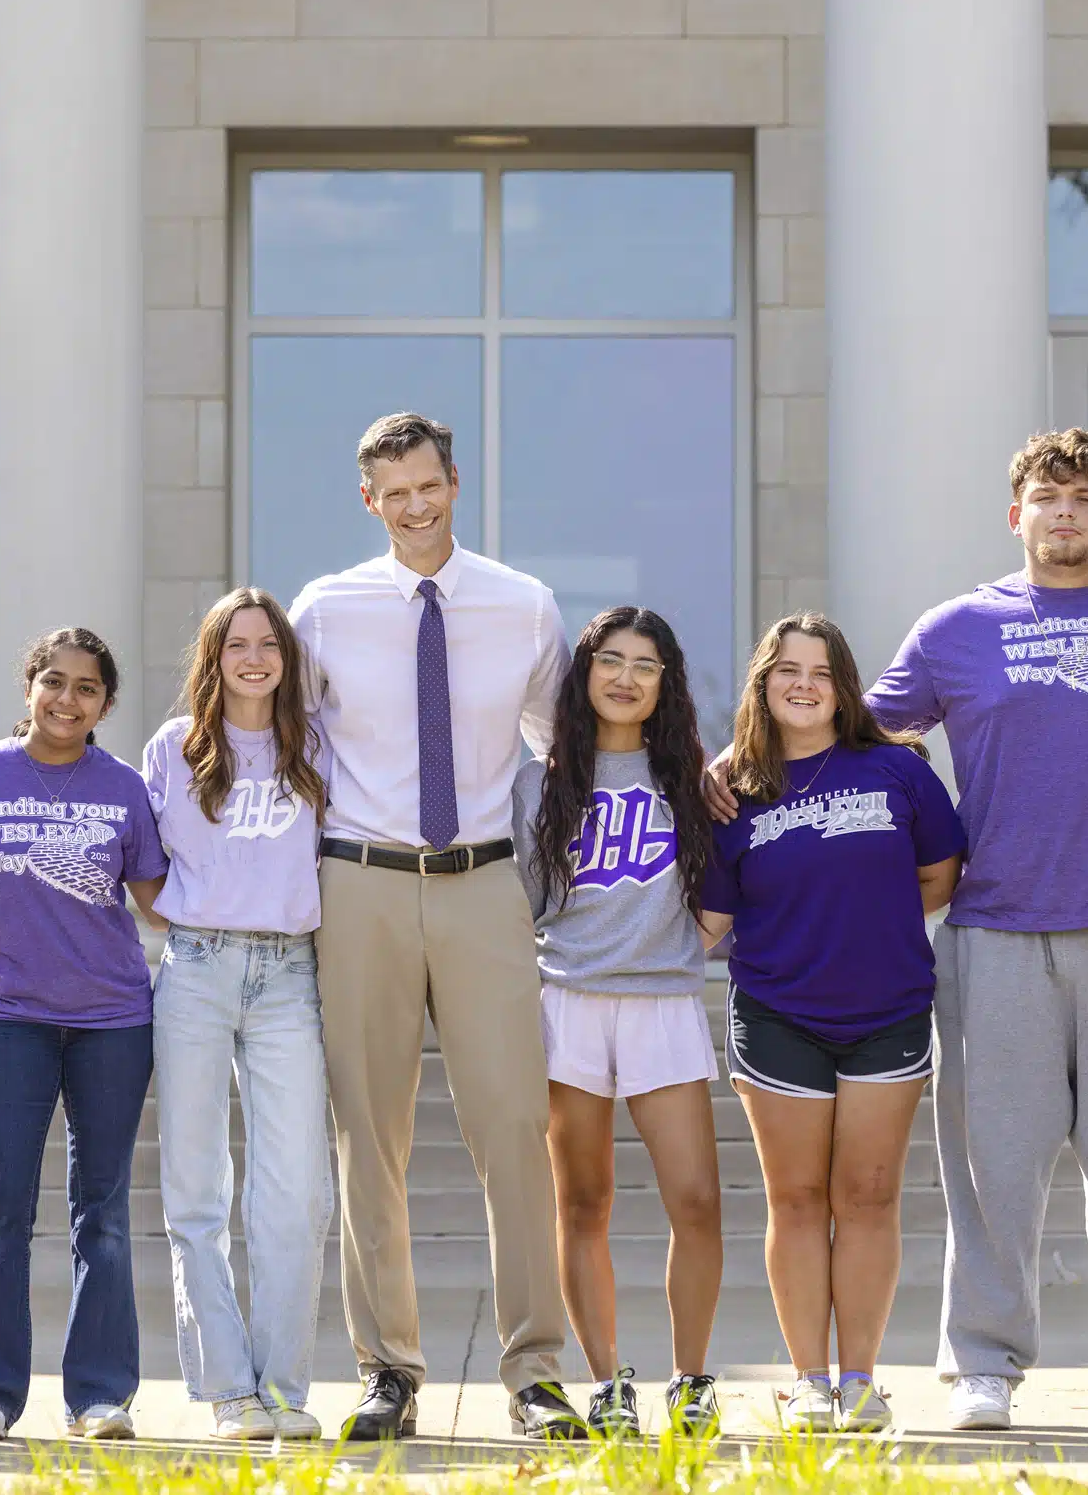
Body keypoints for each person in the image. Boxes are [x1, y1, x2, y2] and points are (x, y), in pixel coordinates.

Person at [842, 429, 1088, 1431]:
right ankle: (983, 1364)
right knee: (990, 1173)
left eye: (1081, 496)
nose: (1062, 511)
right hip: (997, 937)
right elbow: (851, 743)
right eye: (1044, 495)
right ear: (1013, 514)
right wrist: (729, 778)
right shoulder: (953, 630)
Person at [290, 411, 583, 1443]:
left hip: (483, 888)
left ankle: (535, 1372)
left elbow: (565, 751)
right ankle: (388, 1371)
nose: (415, 506)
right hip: (359, 887)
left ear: (454, 482)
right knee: (367, 1136)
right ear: (368, 502)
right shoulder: (324, 611)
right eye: (393, 493)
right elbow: (274, 744)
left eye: (429, 486)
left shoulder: (522, 605)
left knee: (513, 1127)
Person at [0, 627, 167, 1443]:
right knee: (0, 1204)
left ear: (106, 705)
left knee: (104, 1210)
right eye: (53, 681)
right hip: (9, 1015)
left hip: (113, 1020)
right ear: (28, 688)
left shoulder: (122, 786)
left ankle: (100, 1394)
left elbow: (162, 898)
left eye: (86, 688)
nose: (67, 698)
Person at [700, 614, 964, 1434]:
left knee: (871, 1194)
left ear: (843, 685)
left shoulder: (899, 771)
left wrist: (864, 933)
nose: (803, 682)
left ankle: (860, 1379)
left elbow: (939, 874)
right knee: (799, 1198)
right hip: (779, 1015)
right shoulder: (732, 790)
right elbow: (708, 921)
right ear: (763, 685)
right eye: (786, 669)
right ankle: (809, 1380)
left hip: (886, 1012)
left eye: (820, 669)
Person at [513, 608, 728, 1439]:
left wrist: (690, 945)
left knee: (698, 1199)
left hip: (663, 1005)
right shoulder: (541, 782)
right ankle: (608, 1382)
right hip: (570, 1002)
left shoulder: (691, 779)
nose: (626, 677)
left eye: (645, 664)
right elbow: (526, 904)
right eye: (611, 660)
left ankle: (693, 1378)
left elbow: (722, 888)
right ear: (585, 671)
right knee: (584, 1202)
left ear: (665, 682)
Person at [141, 589, 335, 1443]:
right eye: (236, 644)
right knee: (195, 1187)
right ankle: (229, 1389)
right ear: (212, 656)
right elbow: (144, 867)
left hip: (291, 971)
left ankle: (284, 1387)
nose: (254, 658)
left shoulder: (320, 745)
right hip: (196, 967)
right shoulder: (173, 749)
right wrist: (190, 916)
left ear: (288, 658)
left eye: (269, 644)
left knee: (295, 1189)